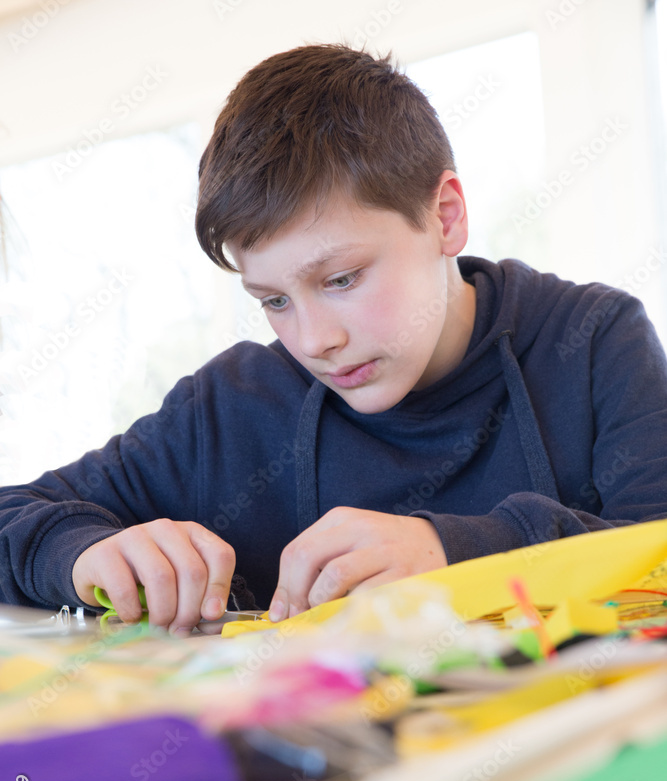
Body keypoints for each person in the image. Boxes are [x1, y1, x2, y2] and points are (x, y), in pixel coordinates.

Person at [1, 43, 667, 635]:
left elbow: (658, 553)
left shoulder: (592, 342)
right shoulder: (231, 409)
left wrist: (453, 554)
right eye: (274, 301)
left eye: (341, 279)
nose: (314, 340)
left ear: (445, 217)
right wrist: (80, 555)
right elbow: (14, 516)